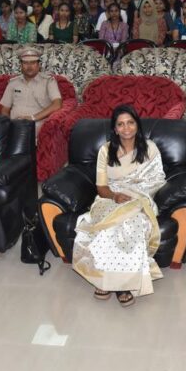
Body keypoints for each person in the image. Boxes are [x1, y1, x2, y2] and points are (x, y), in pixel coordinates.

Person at [71, 104, 166, 307]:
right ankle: (105, 280)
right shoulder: (106, 151)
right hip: (110, 197)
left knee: (131, 225)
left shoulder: (150, 148)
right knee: (108, 228)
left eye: (130, 123)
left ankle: (124, 284)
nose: (126, 128)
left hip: (140, 198)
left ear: (137, 125)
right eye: (120, 124)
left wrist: (134, 195)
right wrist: (115, 197)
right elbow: (101, 187)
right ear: (115, 129)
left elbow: (157, 179)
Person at [0, 46, 63, 135]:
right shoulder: (13, 83)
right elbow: (4, 109)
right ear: (20, 65)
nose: (29, 66)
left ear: (38, 65)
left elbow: (57, 104)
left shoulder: (49, 81)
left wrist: (33, 118)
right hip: (14, 126)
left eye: (33, 62)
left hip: (36, 126)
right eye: (25, 63)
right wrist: (8, 123)